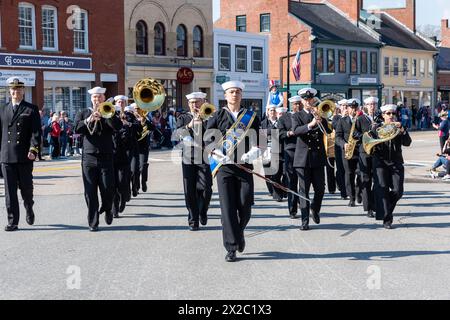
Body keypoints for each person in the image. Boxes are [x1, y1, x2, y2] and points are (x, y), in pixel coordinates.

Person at [206, 80, 261, 262]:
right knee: (227, 208)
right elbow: (207, 141)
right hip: (224, 169)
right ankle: (231, 247)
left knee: (245, 206)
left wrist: (254, 152)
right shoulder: (217, 116)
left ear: (241, 95)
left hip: (244, 166)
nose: (234, 95)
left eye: (237, 92)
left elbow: (258, 141)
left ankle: (239, 232)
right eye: (231, 92)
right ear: (225, 95)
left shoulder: (251, 116)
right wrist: (215, 152)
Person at [74, 87, 122, 231]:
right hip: (88, 158)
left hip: (106, 156)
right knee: (90, 191)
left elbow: (117, 126)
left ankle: (108, 208)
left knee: (108, 188)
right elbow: (76, 128)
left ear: (104, 98)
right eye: (95, 97)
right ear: (91, 99)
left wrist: (108, 115)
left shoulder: (109, 112)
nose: (97, 99)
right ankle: (93, 222)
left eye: (100, 97)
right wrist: (90, 118)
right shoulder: (83, 112)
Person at [0, 77, 41, 231]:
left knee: (26, 189)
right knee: (10, 192)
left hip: (24, 156)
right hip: (6, 156)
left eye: (18, 89)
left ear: (23, 91)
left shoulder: (31, 109)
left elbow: (36, 133)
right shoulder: (3, 109)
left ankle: (29, 206)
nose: (15, 92)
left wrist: (33, 149)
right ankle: (13, 221)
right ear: (9, 91)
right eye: (13, 89)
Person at [292, 88, 332, 231]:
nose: (308, 102)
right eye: (305, 100)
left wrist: (321, 120)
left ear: (313, 100)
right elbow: (296, 131)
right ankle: (304, 220)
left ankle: (315, 207)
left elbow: (328, 132)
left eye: (310, 99)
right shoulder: (297, 116)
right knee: (303, 191)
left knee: (320, 189)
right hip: (302, 160)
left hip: (317, 159)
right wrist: (311, 124)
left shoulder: (320, 114)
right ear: (302, 101)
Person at [370, 104, 412, 229]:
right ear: (383, 115)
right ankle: (387, 219)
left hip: (396, 162)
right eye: (388, 114)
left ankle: (382, 206)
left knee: (398, 191)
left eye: (393, 113)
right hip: (381, 163)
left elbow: (408, 143)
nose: (391, 116)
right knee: (382, 190)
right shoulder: (376, 128)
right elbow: (368, 144)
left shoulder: (399, 128)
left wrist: (403, 130)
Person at [176, 92, 213, 231]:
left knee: (206, 188)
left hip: (204, 157)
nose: (194, 105)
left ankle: (203, 210)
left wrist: (203, 121)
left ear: (203, 102)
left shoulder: (209, 117)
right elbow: (177, 134)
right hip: (188, 157)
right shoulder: (183, 118)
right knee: (189, 190)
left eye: (197, 102)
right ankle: (193, 219)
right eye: (192, 102)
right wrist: (189, 125)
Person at [277, 96, 302, 219]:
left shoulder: (305, 116)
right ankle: (292, 210)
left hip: (303, 151)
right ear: (291, 105)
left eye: (299, 103)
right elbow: (280, 133)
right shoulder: (284, 118)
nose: (297, 106)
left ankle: (303, 206)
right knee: (291, 181)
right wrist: (289, 133)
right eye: (295, 104)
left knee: (303, 182)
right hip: (290, 151)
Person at [353, 97, 379, 218]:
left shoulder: (381, 118)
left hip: (378, 152)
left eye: (374, 104)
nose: (372, 106)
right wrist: (364, 136)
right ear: (365, 106)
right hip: (365, 152)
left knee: (378, 181)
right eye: (369, 104)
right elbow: (354, 134)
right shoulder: (361, 118)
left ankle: (375, 203)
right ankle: (368, 208)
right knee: (366, 180)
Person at [111, 95, 136, 218]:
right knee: (112, 184)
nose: (120, 104)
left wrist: (126, 125)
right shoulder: (109, 120)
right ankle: (114, 209)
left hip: (124, 154)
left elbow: (133, 133)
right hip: (110, 156)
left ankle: (124, 196)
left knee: (122, 181)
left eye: (122, 102)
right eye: (118, 102)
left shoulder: (128, 117)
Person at [336, 98, 363, 207]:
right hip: (347, 151)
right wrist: (344, 144)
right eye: (351, 108)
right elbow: (338, 136)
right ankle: (351, 198)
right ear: (347, 108)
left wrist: (359, 135)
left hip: (360, 151)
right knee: (349, 174)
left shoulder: (362, 119)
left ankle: (359, 192)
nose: (353, 110)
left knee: (361, 174)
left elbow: (366, 135)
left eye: (355, 107)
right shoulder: (342, 121)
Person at [261, 105, 283, 202]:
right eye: (271, 110)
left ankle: (277, 194)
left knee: (277, 173)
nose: (272, 112)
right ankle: (271, 190)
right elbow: (261, 135)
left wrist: (269, 132)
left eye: (274, 110)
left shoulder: (280, 122)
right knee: (267, 173)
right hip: (266, 151)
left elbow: (282, 133)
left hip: (278, 150)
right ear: (268, 112)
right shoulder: (263, 123)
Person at [333, 99, 348, 200]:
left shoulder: (352, 118)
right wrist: (342, 117)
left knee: (349, 170)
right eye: (343, 106)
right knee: (341, 169)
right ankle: (343, 191)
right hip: (339, 147)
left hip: (350, 147)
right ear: (339, 107)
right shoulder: (336, 117)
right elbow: (335, 126)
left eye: (346, 106)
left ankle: (349, 189)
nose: (345, 108)